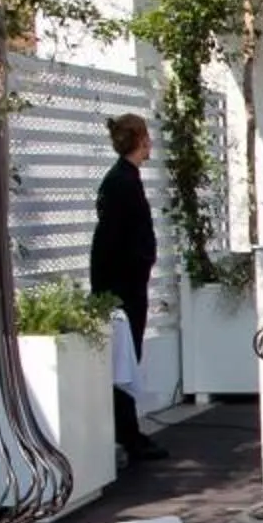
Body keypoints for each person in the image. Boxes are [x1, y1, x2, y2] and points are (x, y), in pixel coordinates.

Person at [90, 112, 167, 465]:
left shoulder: (123, 180)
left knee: (127, 357)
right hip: (122, 287)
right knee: (124, 357)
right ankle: (128, 435)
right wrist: (135, 270)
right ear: (138, 139)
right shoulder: (120, 182)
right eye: (147, 137)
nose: (150, 143)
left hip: (125, 284)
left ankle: (128, 432)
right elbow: (114, 240)